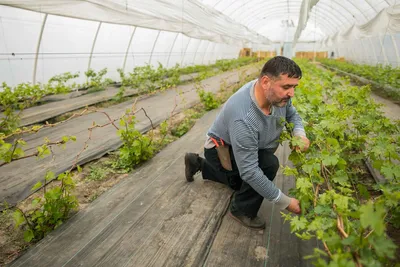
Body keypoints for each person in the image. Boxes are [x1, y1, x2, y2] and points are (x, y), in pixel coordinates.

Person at [184, 56, 310, 230]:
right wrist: (285, 202)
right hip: (221, 150)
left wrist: (299, 134)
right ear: (265, 81)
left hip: (248, 147)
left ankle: (198, 164)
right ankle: (242, 210)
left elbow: (292, 115)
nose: (291, 93)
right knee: (265, 167)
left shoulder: (275, 94)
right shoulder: (243, 117)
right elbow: (250, 172)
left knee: (244, 180)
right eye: (287, 87)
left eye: (294, 87)